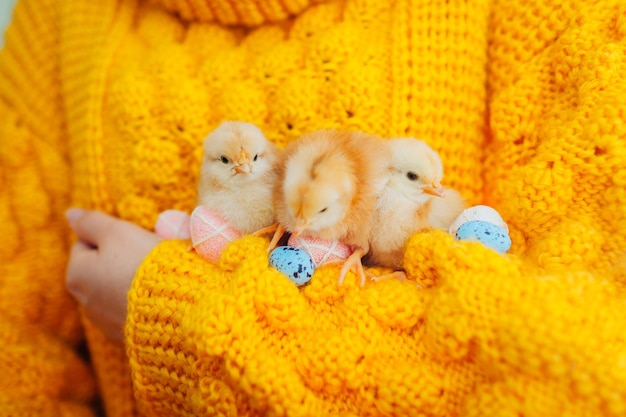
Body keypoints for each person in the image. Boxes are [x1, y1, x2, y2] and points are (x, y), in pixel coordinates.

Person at [1, 0, 625, 416]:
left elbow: (590, 379)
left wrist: (177, 313)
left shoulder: (542, 17)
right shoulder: (61, 20)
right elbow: (15, 365)